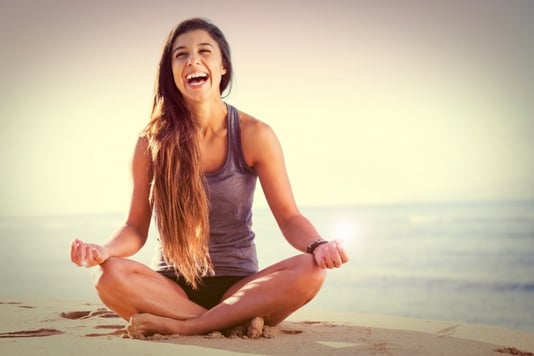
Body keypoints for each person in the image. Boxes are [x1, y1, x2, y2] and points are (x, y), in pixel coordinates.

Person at [70, 17, 349, 338]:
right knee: (107, 276)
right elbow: (135, 227)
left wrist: (318, 245)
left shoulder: (254, 134)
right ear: (171, 71)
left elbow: (289, 217)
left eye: (204, 51)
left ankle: (186, 326)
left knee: (310, 271)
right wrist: (103, 251)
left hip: (240, 286)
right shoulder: (151, 142)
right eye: (181, 55)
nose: (192, 60)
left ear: (223, 67)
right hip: (169, 290)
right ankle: (226, 321)